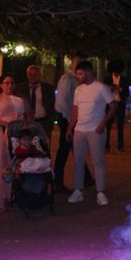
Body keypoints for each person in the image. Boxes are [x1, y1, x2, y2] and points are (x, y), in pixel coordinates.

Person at [67, 61, 115, 206]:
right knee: (78, 162)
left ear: (89, 71)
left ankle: (100, 192)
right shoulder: (78, 90)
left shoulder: (101, 88)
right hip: (79, 130)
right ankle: (78, 190)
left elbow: (113, 107)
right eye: (77, 73)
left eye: (80, 73)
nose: (78, 76)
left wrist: (103, 123)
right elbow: (75, 110)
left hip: (95, 130)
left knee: (98, 161)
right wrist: (70, 128)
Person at [0, 74, 30, 210]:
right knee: (1, 164)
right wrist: (6, 124)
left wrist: (24, 127)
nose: (9, 85)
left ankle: (18, 195)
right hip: (0, 134)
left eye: (12, 83)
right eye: (6, 83)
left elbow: (29, 115)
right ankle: (2, 197)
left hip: (18, 135)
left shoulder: (21, 99)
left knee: (17, 164)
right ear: (1, 84)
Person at [54, 53, 93, 193]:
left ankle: (85, 178)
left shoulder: (74, 79)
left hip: (70, 118)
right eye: (79, 63)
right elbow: (63, 102)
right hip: (68, 119)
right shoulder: (68, 79)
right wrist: (69, 121)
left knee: (74, 148)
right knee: (66, 149)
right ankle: (58, 182)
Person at [15, 65, 55, 144]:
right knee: (26, 146)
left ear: (39, 75)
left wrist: (51, 121)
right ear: (27, 75)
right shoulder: (20, 88)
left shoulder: (48, 88)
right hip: (25, 122)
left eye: (35, 75)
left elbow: (53, 104)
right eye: (30, 74)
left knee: (44, 146)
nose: (32, 77)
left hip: (43, 122)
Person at [103, 59, 131, 152]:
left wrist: (120, 89)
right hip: (109, 104)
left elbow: (126, 93)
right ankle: (106, 145)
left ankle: (120, 146)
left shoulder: (124, 79)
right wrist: (110, 88)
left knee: (120, 125)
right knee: (107, 125)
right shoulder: (107, 79)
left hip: (120, 103)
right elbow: (103, 92)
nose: (116, 73)